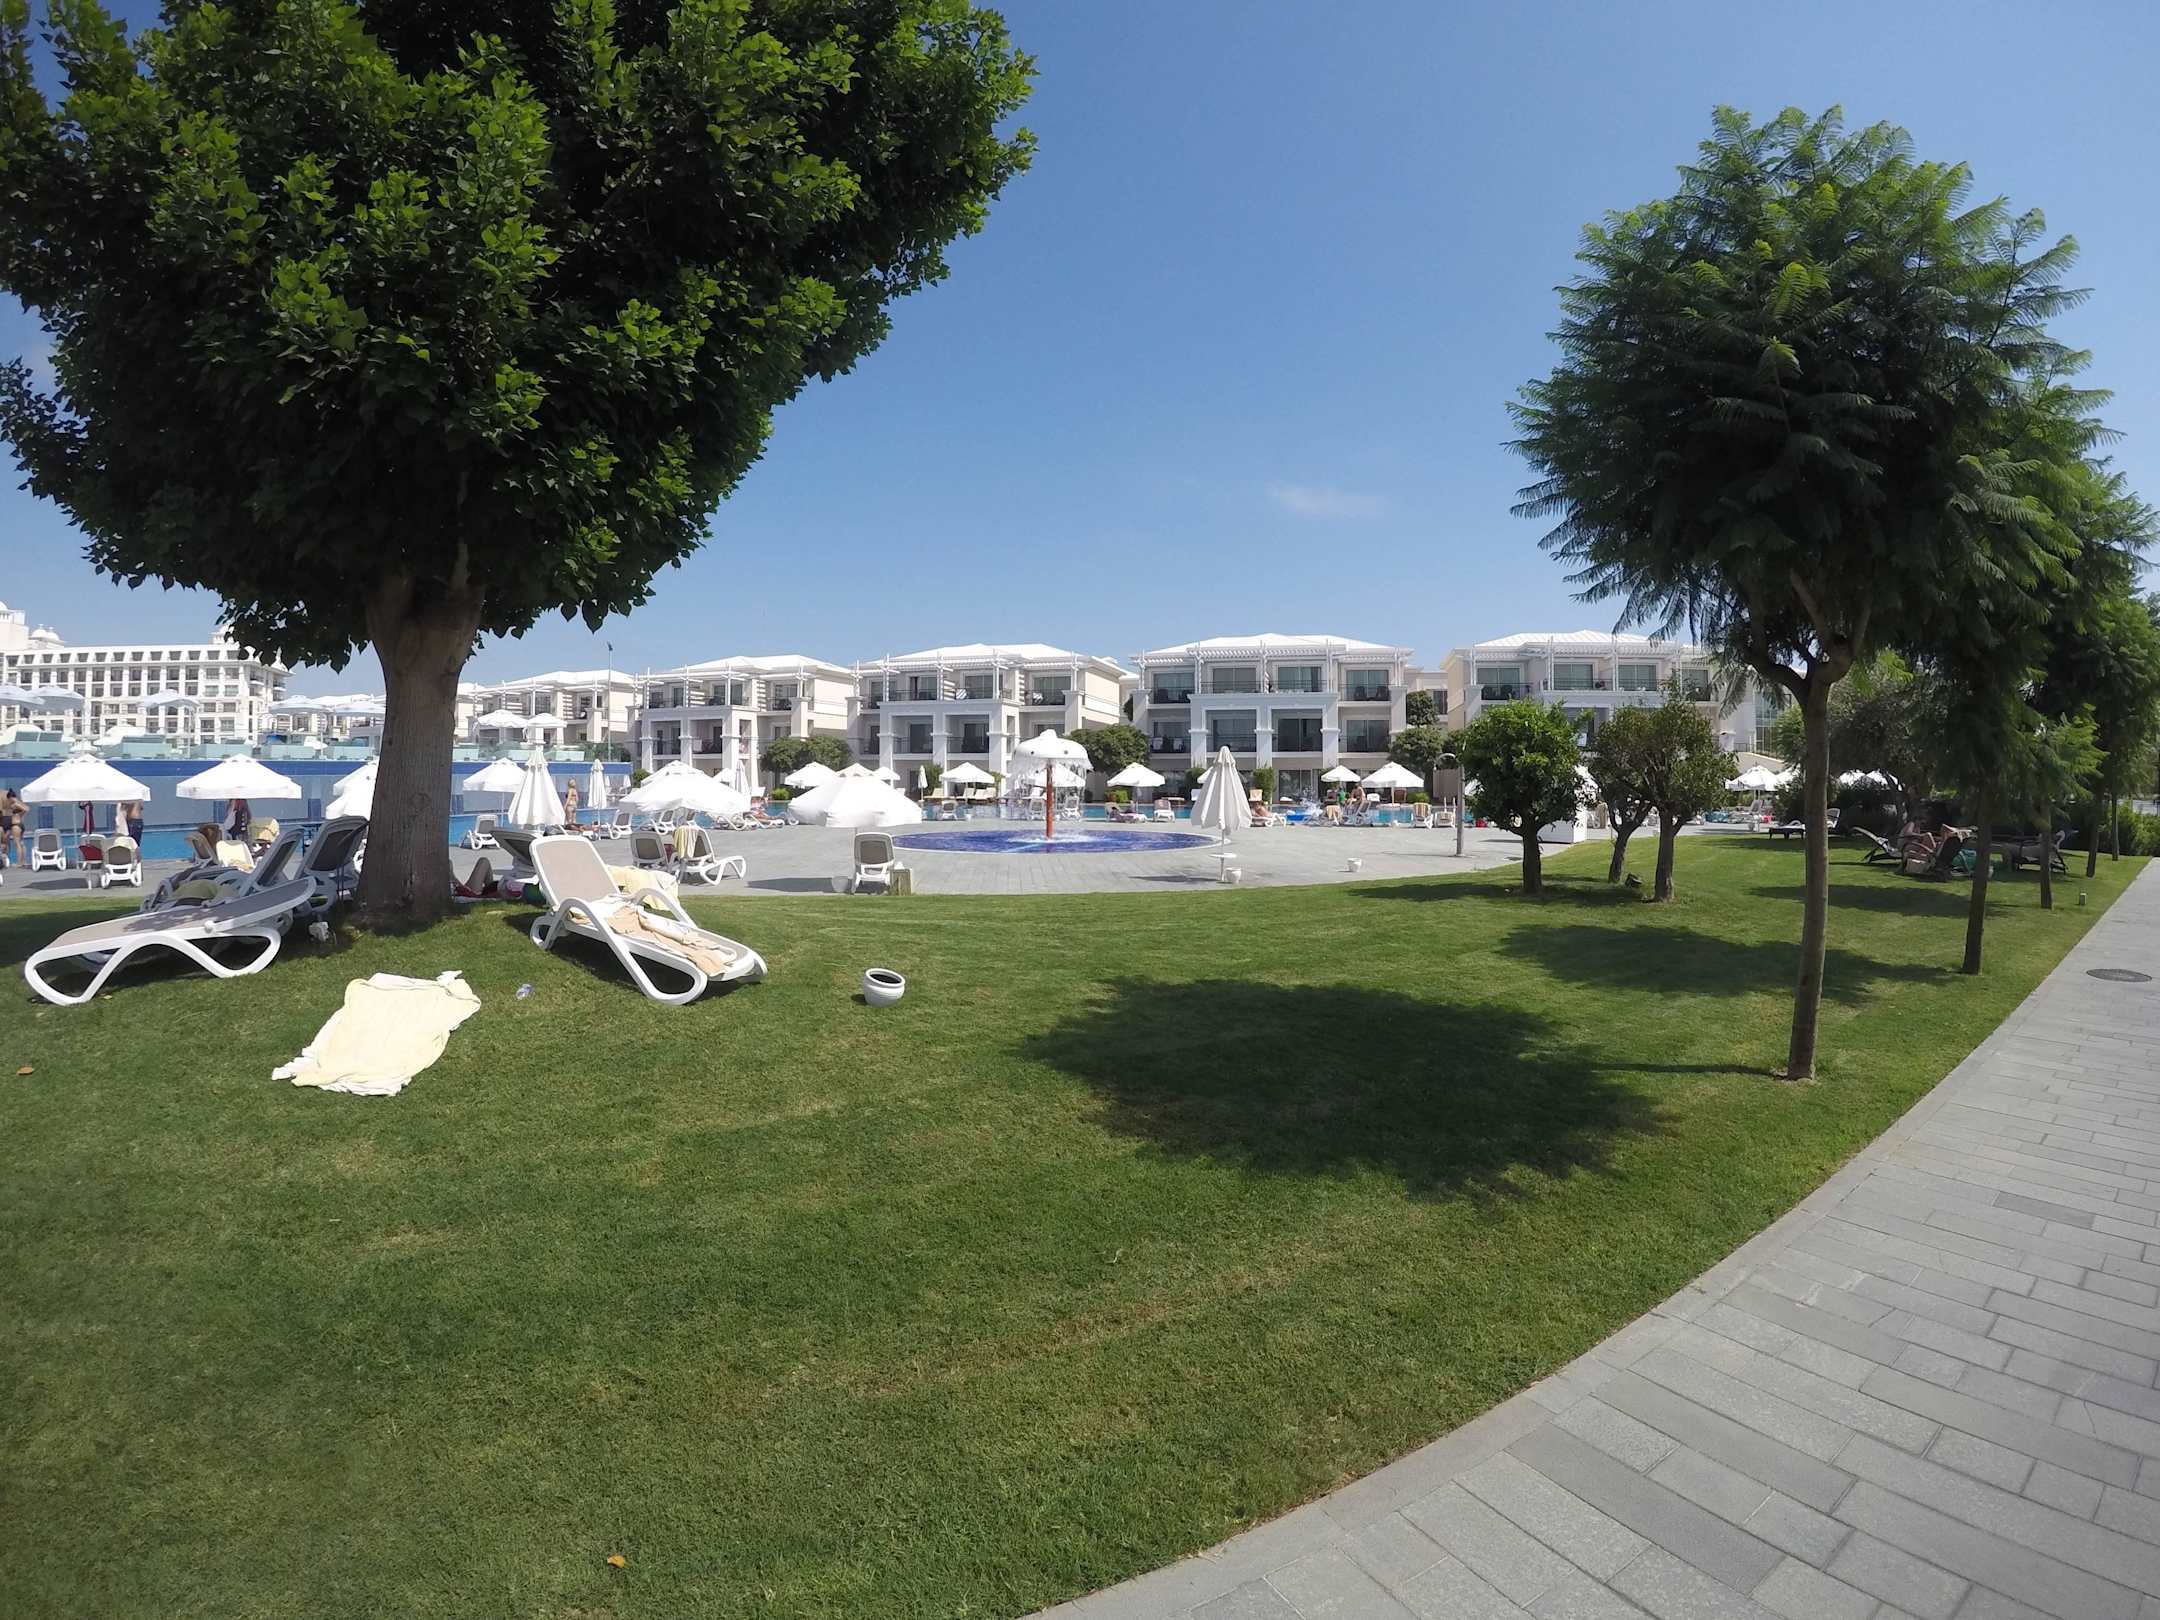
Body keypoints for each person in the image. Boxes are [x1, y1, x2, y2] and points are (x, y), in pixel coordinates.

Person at [1, 787, 24, 866]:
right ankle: (19, 862)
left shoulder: (14, 804)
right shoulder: (11, 805)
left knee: (17, 843)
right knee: (17, 843)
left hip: (15, 825)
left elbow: (24, 809)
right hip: (13, 825)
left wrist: (20, 815)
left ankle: (19, 863)